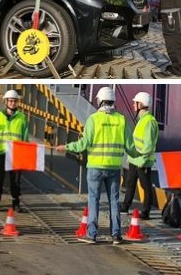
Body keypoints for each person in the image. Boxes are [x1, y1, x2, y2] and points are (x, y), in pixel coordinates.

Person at [55, 87, 138, 244]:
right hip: (114, 168)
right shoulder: (121, 119)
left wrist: (66, 147)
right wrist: (139, 156)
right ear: (113, 101)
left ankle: (92, 235)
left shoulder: (93, 119)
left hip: (95, 168)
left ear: (99, 101)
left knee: (94, 200)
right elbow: (130, 147)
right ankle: (116, 235)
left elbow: (83, 144)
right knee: (114, 201)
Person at [121, 92, 158, 220]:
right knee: (130, 183)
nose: (133, 104)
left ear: (140, 104)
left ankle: (146, 212)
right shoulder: (142, 120)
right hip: (134, 160)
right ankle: (125, 207)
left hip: (142, 161)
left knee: (146, 186)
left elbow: (148, 144)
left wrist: (142, 159)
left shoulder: (149, 121)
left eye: (134, 102)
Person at [0, 90, 28, 212]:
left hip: (15, 153)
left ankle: (16, 204)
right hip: (0, 153)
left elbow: (25, 137)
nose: (13, 103)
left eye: (15, 101)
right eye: (10, 101)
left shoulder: (22, 118)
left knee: (16, 181)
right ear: (6, 102)